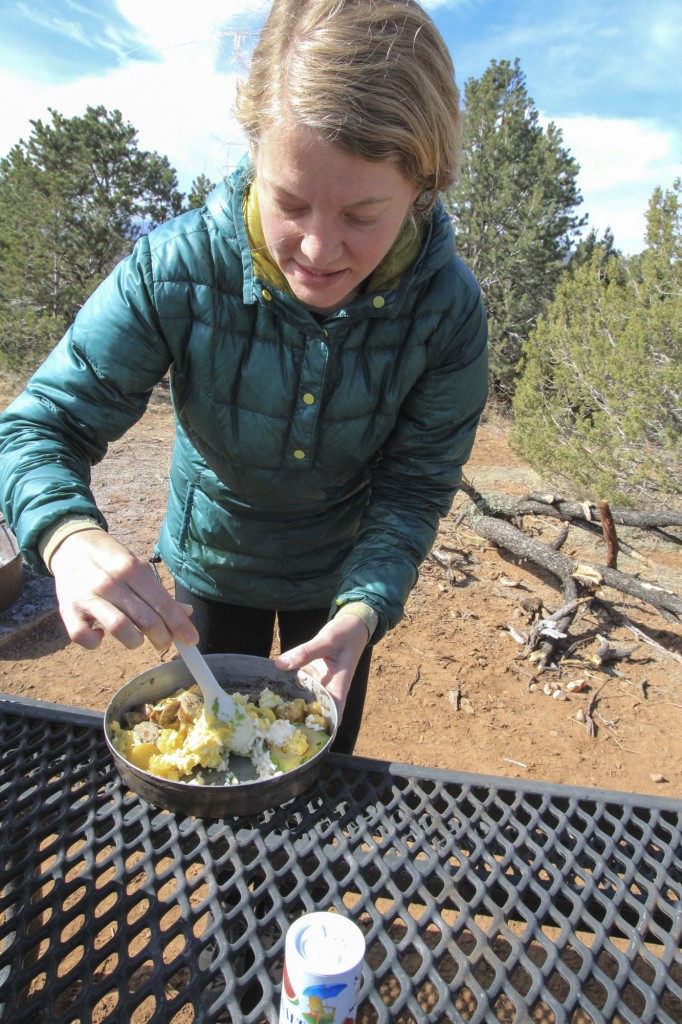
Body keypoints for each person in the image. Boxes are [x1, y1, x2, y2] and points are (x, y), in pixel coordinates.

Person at [0, 0, 488, 754]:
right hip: (208, 565)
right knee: (204, 757)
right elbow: (40, 425)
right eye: (288, 201)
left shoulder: (447, 311)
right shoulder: (177, 267)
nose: (318, 249)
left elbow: (417, 485)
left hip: (339, 582)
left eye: (363, 215)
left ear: (424, 187)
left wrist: (363, 613)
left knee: (311, 768)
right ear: (255, 151)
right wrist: (66, 537)